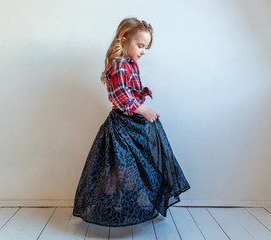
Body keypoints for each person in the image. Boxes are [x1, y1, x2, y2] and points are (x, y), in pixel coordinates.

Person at [73, 17, 191, 227]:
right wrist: (143, 110)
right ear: (124, 39)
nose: (143, 51)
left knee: (139, 168)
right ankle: (117, 210)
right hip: (121, 127)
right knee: (121, 169)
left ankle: (134, 207)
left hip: (132, 124)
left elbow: (131, 93)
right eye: (140, 45)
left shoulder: (130, 64)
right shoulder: (119, 65)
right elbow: (121, 97)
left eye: (145, 47)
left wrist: (142, 108)